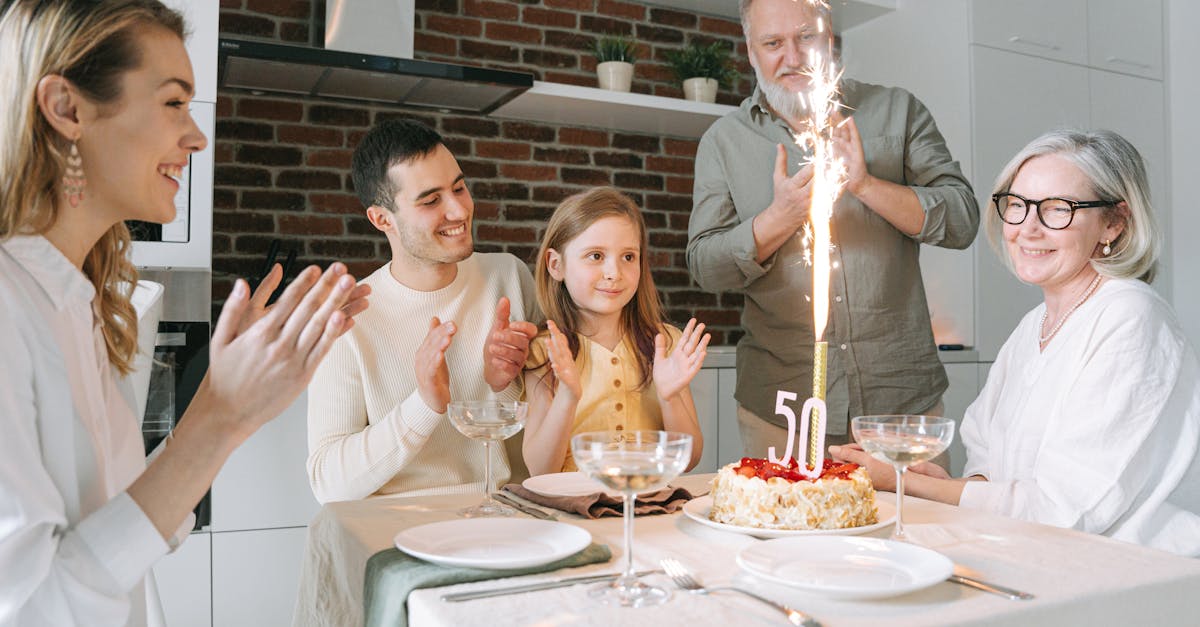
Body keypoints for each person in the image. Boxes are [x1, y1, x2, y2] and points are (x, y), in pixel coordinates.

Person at [0, 1, 370, 624]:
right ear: (67, 108)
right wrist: (219, 419)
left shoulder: (83, 302)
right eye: (173, 102)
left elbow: (127, 522)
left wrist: (227, 404)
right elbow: (32, 606)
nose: (198, 136)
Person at [833, 129, 1200, 557]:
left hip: (1132, 568)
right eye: (1017, 205)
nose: (1027, 228)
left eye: (1058, 209)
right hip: (1034, 552)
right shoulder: (1034, 326)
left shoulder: (1131, 317)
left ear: (1114, 223)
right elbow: (989, 463)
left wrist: (906, 483)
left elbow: (1064, 511)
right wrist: (954, 484)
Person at [686, 0, 979, 457]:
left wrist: (865, 185)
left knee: (917, 510)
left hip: (901, 405)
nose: (793, 57)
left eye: (805, 37)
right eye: (773, 43)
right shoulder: (723, 142)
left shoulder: (898, 110)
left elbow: (962, 220)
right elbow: (705, 268)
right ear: (750, 49)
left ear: (828, 38)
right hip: (782, 411)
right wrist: (779, 217)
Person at [305, 118, 539, 502]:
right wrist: (424, 404)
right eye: (431, 201)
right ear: (382, 219)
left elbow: (553, 422)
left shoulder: (508, 275)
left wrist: (506, 384)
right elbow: (328, 483)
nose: (459, 211)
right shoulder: (349, 318)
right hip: (398, 523)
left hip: (504, 510)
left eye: (459, 188)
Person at [521, 187, 708, 476]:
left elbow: (689, 460)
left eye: (628, 257)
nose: (614, 273)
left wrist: (670, 398)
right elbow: (540, 470)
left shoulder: (666, 343)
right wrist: (567, 396)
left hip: (647, 499)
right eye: (596, 256)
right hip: (574, 501)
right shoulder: (544, 351)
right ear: (556, 265)